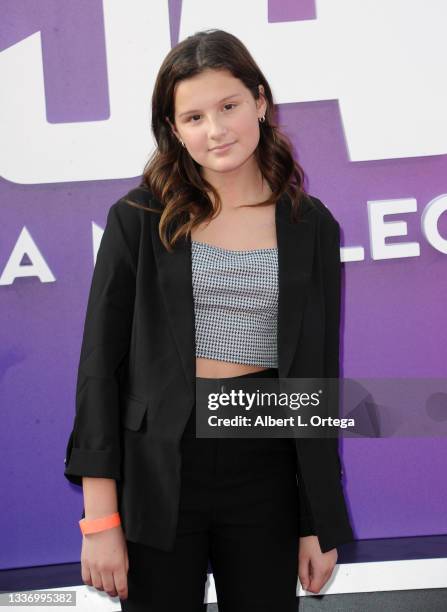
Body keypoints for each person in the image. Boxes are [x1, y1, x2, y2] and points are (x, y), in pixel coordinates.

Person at [64, 28, 354, 611]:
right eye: (193, 117)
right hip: (160, 470)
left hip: (266, 461)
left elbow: (314, 379)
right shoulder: (138, 220)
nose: (215, 130)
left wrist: (315, 518)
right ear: (174, 129)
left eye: (229, 106)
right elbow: (100, 367)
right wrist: (100, 520)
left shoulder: (310, 224)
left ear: (260, 102)